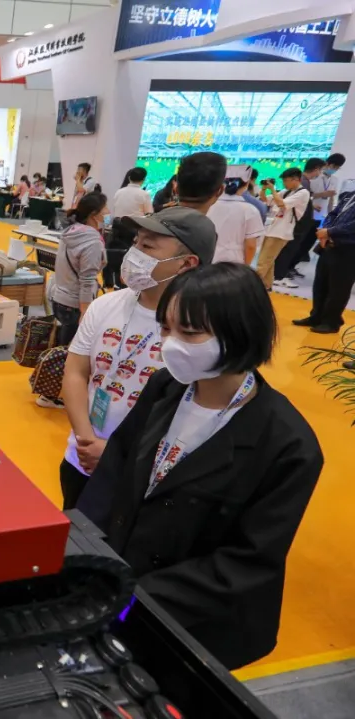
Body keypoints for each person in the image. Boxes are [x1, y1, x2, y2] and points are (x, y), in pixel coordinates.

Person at [77, 263, 322, 670]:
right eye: (166, 329)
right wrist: (84, 554)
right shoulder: (165, 388)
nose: (171, 345)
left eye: (190, 333)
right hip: (118, 590)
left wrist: (135, 598)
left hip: (194, 624)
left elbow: (248, 560)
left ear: (240, 332)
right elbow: (115, 471)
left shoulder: (288, 446)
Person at [60, 206, 216, 509]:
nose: (134, 254)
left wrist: (117, 455)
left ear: (186, 263)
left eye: (148, 246)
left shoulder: (200, 329)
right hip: (82, 459)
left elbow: (197, 413)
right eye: (135, 242)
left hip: (147, 478)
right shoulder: (106, 305)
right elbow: (76, 372)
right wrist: (86, 440)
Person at [50, 192, 107, 354]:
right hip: (75, 304)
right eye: (105, 209)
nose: (108, 213)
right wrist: (85, 312)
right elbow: (87, 280)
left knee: (61, 352)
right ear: (94, 214)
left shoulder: (71, 232)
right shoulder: (92, 241)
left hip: (59, 298)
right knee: (72, 355)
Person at [293, 188, 355, 334]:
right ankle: (316, 316)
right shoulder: (349, 195)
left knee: (339, 288)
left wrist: (329, 231)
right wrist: (325, 230)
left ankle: (331, 322)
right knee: (320, 284)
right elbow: (333, 213)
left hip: (349, 249)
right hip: (329, 245)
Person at [274, 158, 325, 286]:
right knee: (288, 249)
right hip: (297, 224)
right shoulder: (302, 186)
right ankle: (279, 275)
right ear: (316, 169)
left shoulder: (303, 185)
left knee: (290, 249)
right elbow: (286, 203)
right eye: (320, 170)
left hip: (297, 223)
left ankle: (280, 273)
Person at [257, 168, 309, 290]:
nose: (284, 183)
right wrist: (264, 188)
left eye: (286, 181)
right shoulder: (286, 191)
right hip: (272, 229)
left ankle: (253, 287)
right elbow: (264, 199)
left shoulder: (303, 193)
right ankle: (267, 285)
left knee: (263, 262)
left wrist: (273, 189)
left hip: (281, 232)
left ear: (296, 179)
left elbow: (281, 204)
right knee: (268, 260)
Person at [206, 174, 264, 265]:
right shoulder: (250, 210)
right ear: (246, 184)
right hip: (234, 262)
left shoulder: (208, 205)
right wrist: (246, 266)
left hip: (207, 259)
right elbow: (250, 246)